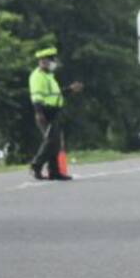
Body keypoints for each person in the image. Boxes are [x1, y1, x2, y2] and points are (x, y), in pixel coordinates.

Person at [29, 47, 83, 181]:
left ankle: (54, 171)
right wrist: (39, 113)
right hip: (44, 112)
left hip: (54, 112)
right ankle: (36, 165)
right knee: (51, 140)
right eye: (52, 60)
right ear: (43, 61)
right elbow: (37, 97)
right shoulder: (37, 77)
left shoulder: (49, 76)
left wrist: (70, 89)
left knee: (56, 142)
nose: (54, 63)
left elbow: (57, 94)